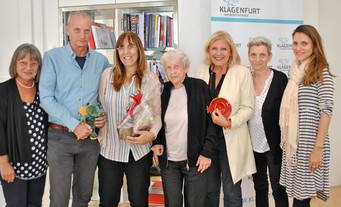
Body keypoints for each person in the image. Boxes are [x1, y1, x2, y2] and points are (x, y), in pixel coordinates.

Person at [39, 11, 110, 206]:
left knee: (83, 196)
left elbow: (103, 98)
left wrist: (102, 116)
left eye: (86, 30)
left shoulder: (101, 61)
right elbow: (46, 98)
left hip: (89, 141)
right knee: (59, 198)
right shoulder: (52, 58)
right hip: (60, 138)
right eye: (77, 30)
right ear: (68, 30)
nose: (82, 35)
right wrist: (74, 124)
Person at [97, 31, 162, 207]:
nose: (126, 51)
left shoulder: (151, 79)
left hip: (139, 151)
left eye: (131, 46)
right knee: (107, 201)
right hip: (110, 150)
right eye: (122, 47)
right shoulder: (107, 76)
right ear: (117, 51)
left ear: (139, 50)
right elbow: (101, 108)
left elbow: (157, 116)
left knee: (139, 201)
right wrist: (99, 118)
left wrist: (152, 135)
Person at [195, 30, 256, 207]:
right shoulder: (200, 71)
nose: (218, 53)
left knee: (231, 191)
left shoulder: (242, 72)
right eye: (214, 48)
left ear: (231, 52)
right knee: (210, 190)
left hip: (231, 138)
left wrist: (229, 122)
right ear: (208, 50)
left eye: (223, 49)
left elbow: (248, 108)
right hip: (206, 142)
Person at [151, 49, 217, 207]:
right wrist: (158, 141)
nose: (173, 72)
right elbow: (158, 118)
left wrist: (207, 153)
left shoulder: (200, 87)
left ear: (186, 68)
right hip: (169, 163)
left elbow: (212, 122)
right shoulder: (163, 90)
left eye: (177, 66)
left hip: (195, 161)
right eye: (168, 67)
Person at [279, 25, 334, 207]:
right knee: (298, 197)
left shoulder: (321, 71)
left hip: (311, 145)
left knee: (302, 199)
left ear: (314, 45)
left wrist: (317, 149)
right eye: (295, 43)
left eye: (304, 43)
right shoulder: (295, 70)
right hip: (295, 146)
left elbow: (326, 112)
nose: (298, 48)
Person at [0, 43, 48, 206]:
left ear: (38, 66)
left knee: (35, 204)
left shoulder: (41, 90)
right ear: (14, 64)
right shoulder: (3, 91)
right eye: (22, 62)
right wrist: (3, 163)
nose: (28, 67)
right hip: (13, 166)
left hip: (39, 165)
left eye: (33, 63)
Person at [247, 36, 289, 207]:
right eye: (254, 55)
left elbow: (287, 112)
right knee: (260, 187)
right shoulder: (246, 80)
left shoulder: (280, 79)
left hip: (274, 144)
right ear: (248, 56)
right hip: (252, 143)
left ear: (270, 56)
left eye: (262, 55)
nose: (258, 59)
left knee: (278, 189)